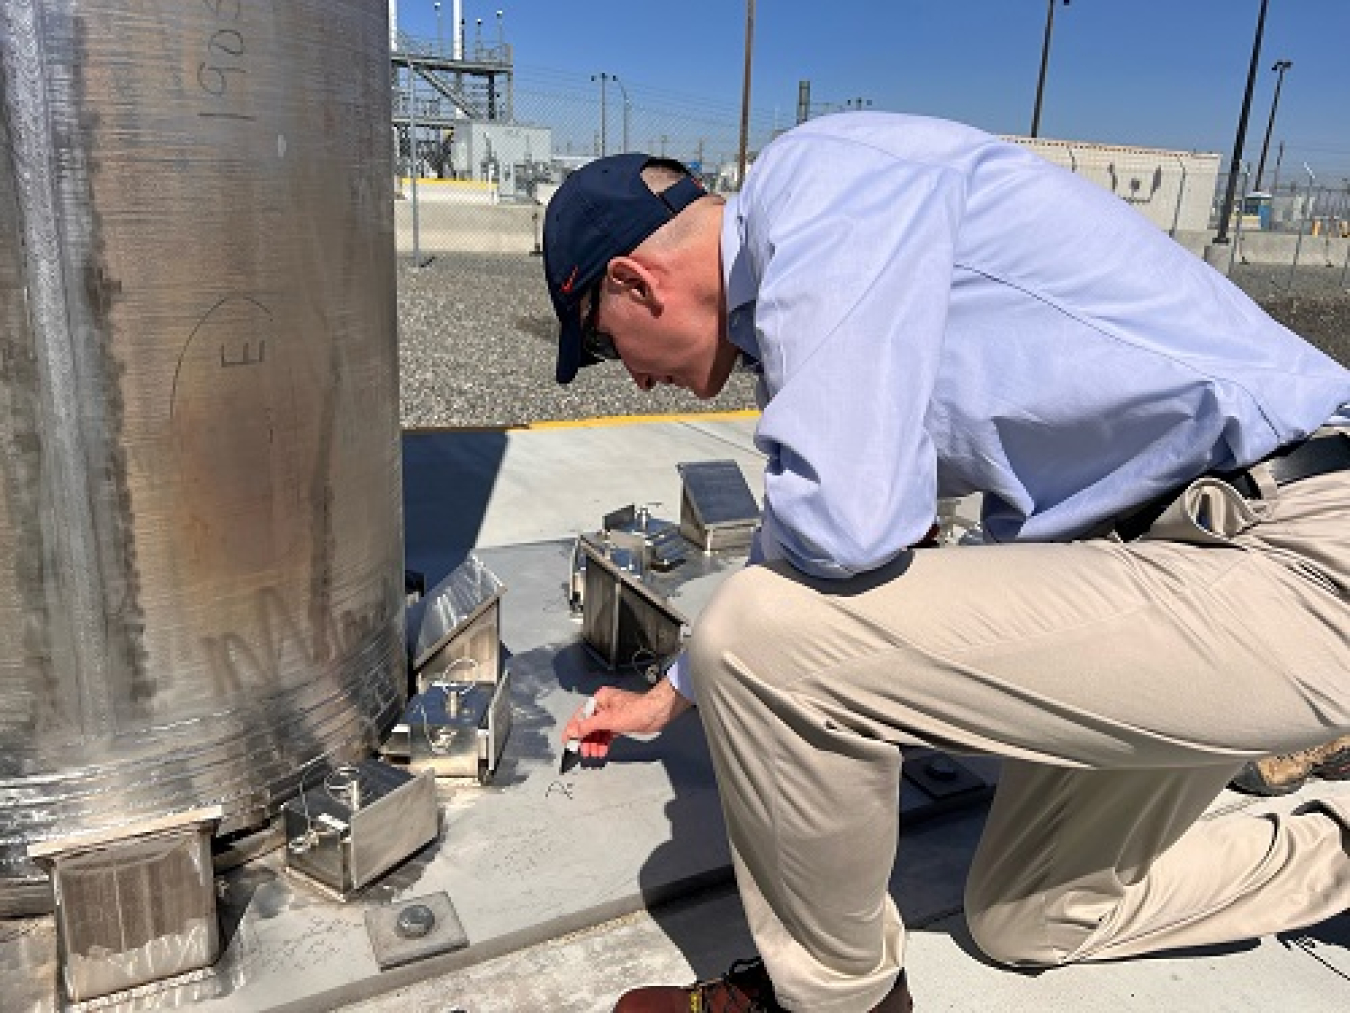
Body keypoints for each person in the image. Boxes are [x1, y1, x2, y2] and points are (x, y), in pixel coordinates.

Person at [542, 112, 1350, 1013]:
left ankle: (836, 1004)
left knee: (763, 641)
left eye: (608, 348)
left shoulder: (814, 181)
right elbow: (852, 514)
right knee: (1033, 914)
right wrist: (678, 687)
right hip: (1183, 569)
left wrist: (725, 658)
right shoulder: (812, 271)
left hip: (1292, 551)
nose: (638, 379)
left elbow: (846, 524)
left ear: (631, 279)